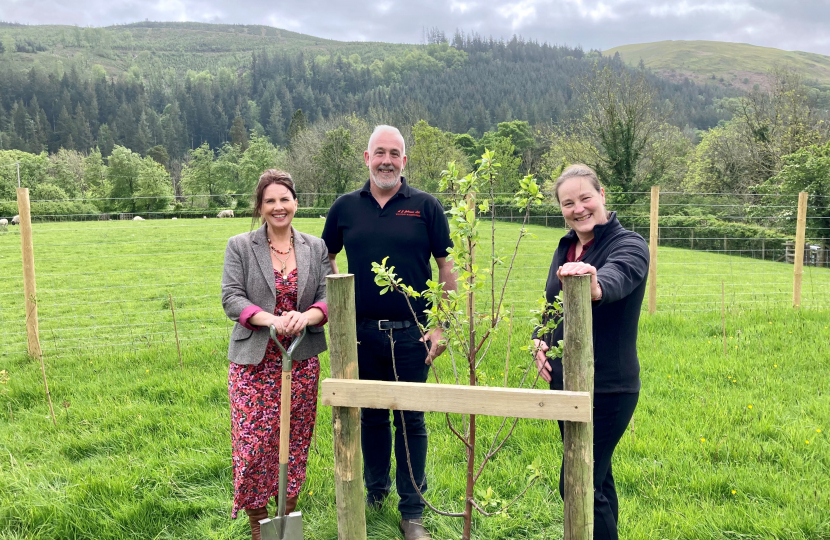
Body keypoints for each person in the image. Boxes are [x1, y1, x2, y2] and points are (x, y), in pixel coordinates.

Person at [321, 125, 456, 540]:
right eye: (379, 152)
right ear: (366, 158)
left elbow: (446, 268)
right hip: (361, 335)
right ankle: (375, 496)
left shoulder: (426, 206)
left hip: (414, 335)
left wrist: (441, 325)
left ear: (404, 161)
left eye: (394, 154)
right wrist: (339, 311)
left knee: (411, 420)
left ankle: (412, 511)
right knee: (373, 417)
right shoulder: (345, 207)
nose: (386, 160)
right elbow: (325, 255)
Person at [532, 164, 649, 540]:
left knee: (577, 483)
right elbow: (551, 304)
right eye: (568, 203)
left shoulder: (629, 243)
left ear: (602, 195)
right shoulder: (566, 246)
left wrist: (593, 284)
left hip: (609, 388)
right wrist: (540, 337)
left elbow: (618, 276)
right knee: (597, 477)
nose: (578, 208)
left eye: (585, 198)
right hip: (566, 384)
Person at [221, 170, 332, 540]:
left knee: (295, 443)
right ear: (260, 206)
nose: (278, 207)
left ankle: (285, 524)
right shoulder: (240, 246)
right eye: (270, 201)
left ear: (295, 203)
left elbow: (328, 296)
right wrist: (273, 322)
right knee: (254, 446)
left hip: (300, 361)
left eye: (284, 199)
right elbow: (232, 298)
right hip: (254, 365)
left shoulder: (316, 248)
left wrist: (305, 317)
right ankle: (258, 526)